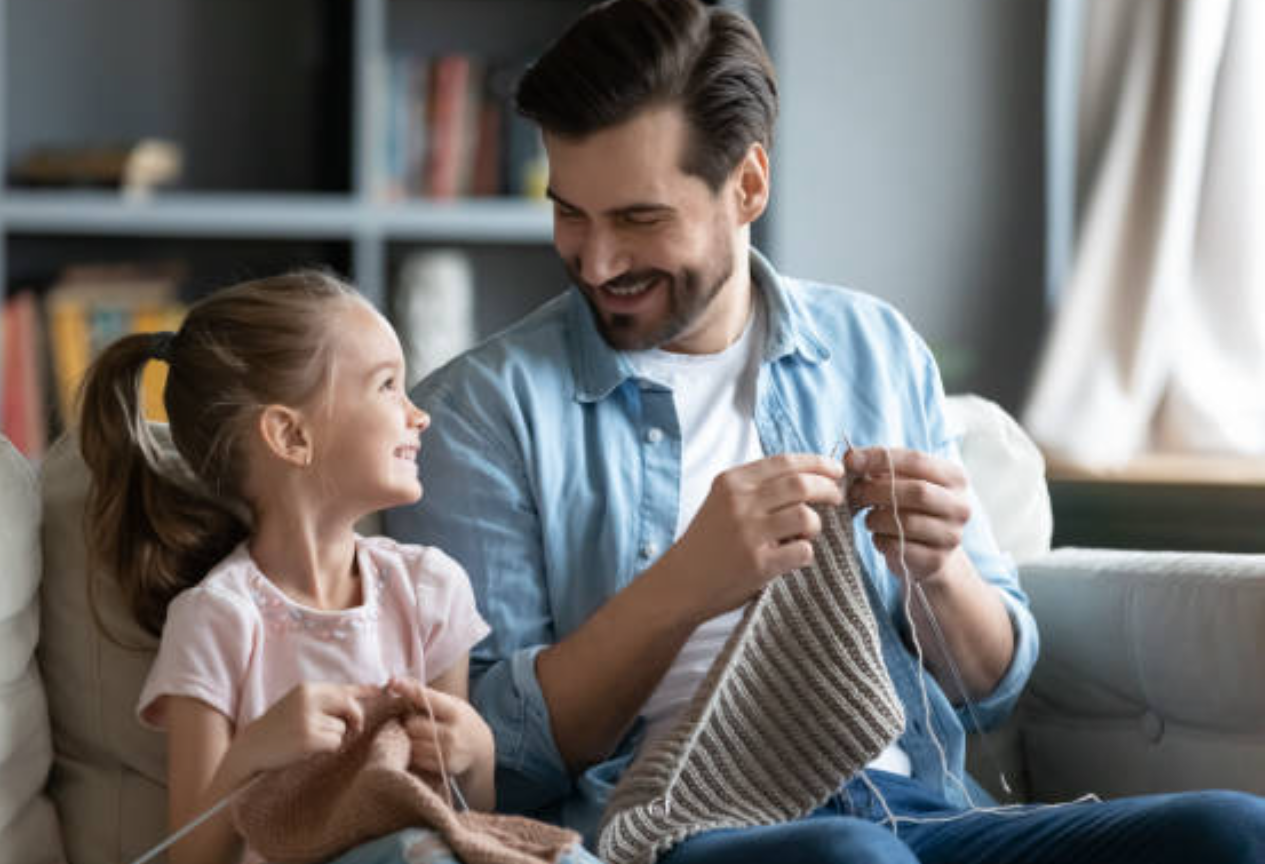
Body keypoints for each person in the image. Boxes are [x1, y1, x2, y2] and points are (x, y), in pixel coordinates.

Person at [385, 1, 1265, 862]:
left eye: (640, 219)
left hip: (917, 812)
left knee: (1231, 832)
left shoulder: (871, 347)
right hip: (681, 825)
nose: (597, 260)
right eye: (570, 212)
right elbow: (490, 758)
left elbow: (992, 692)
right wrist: (686, 584)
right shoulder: (476, 413)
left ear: (749, 185)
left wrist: (940, 571)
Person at [78, 270, 510, 864]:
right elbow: (191, 859)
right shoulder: (216, 620)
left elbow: (465, 826)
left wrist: (477, 754)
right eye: (387, 386)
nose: (419, 415)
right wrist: (255, 750)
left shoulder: (431, 589)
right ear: (290, 435)